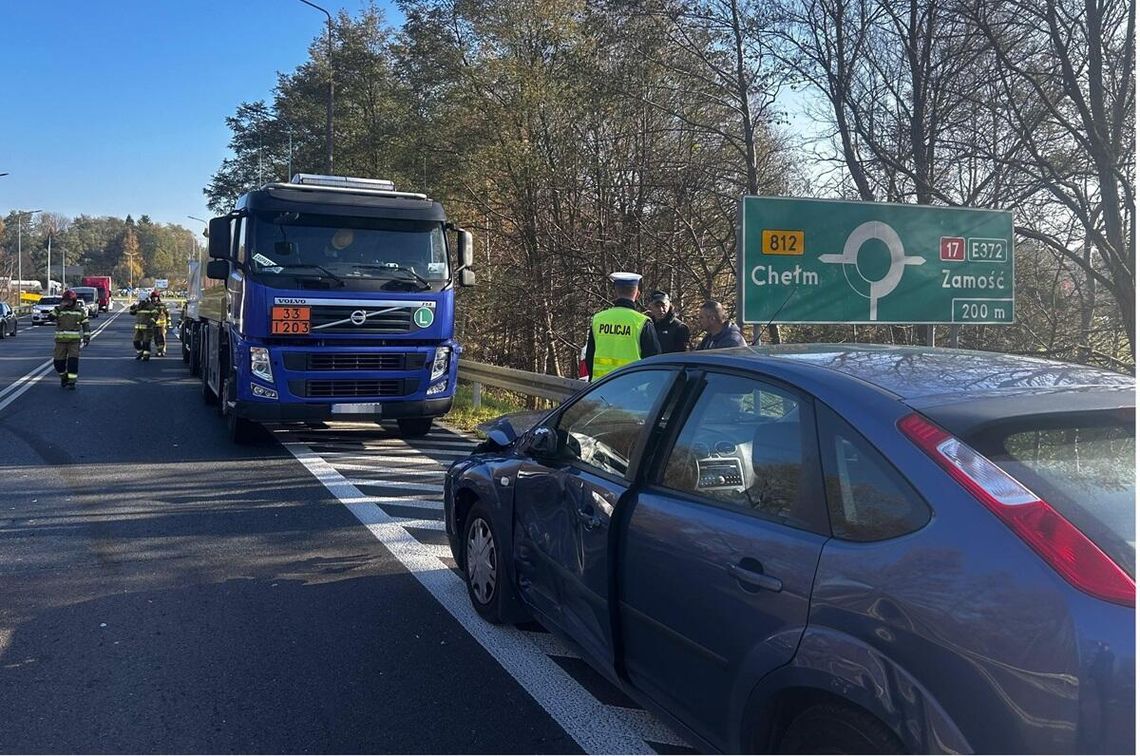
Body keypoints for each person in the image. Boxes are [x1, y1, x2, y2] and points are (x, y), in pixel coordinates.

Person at [585, 272, 661, 381]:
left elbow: (589, 356)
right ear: (637, 294)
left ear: (614, 293)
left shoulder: (598, 319)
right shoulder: (642, 322)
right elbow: (654, 360)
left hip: (600, 387)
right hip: (631, 388)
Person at [52, 289, 91, 389]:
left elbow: (86, 324)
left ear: (73, 300)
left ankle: (72, 382)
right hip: (60, 342)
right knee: (58, 363)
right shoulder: (59, 309)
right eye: (65, 300)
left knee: (72, 362)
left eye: (69, 300)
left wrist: (87, 336)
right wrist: (59, 308)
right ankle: (64, 377)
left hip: (74, 342)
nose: (67, 302)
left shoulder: (79, 311)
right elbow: (50, 317)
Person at [129, 291, 157, 361]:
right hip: (138, 328)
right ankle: (140, 353)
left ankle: (146, 356)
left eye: (141, 300)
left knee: (146, 343)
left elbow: (156, 315)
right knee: (136, 341)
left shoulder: (150, 306)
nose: (140, 302)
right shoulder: (139, 306)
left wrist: (151, 322)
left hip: (147, 328)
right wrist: (132, 307)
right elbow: (132, 313)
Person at [151, 291, 170, 356]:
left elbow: (167, 314)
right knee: (156, 337)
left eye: (156, 297)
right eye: (153, 297)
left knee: (162, 337)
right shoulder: (151, 305)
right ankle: (159, 351)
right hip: (154, 324)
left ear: (158, 297)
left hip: (162, 324)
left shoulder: (162, 305)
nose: (155, 299)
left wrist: (169, 322)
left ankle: (163, 351)